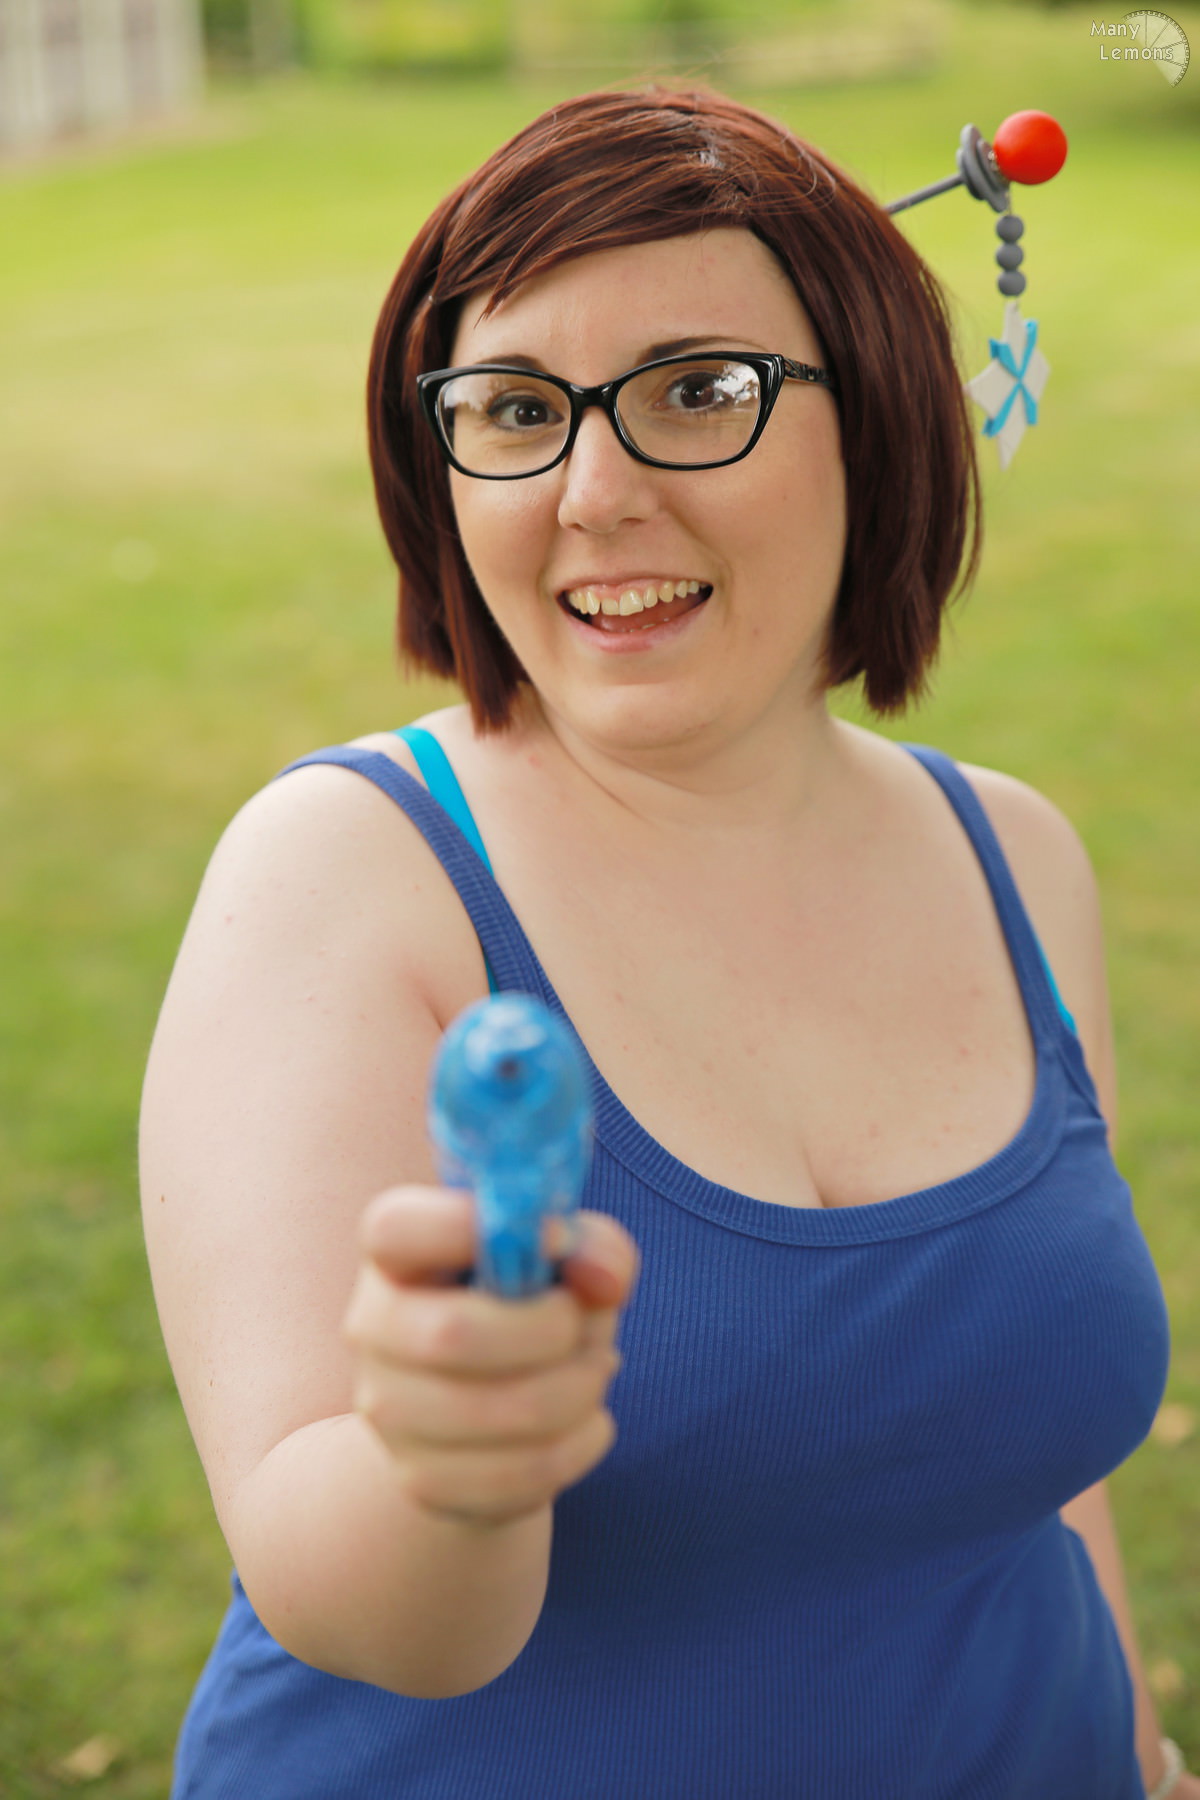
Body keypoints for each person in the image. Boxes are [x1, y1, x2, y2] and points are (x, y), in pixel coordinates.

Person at [139, 84, 1190, 1800]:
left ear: (879, 418)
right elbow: (354, 1611)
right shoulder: (343, 873)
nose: (592, 493)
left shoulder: (1017, 857)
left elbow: (1044, 1465)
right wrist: (449, 1464)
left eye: (699, 391)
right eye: (515, 409)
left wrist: (1132, 1742)